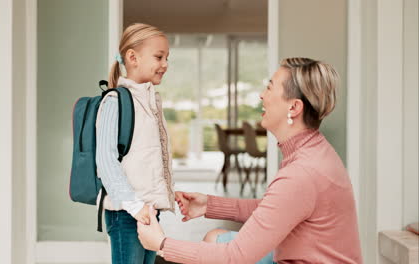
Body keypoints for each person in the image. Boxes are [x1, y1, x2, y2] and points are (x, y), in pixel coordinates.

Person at [137, 58, 363, 264]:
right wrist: (209, 205)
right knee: (215, 237)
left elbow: (235, 257)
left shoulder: (302, 173)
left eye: (270, 87)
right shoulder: (312, 151)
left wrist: (161, 245)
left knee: (219, 251)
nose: (262, 96)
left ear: (293, 107)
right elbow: (276, 208)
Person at [96, 23, 180, 264]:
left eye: (167, 58)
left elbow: (149, 158)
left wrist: (167, 195)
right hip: (126, 214)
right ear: (132, 57)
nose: (165, 64)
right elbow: (105, 160)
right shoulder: (114, 101)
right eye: (159, 57)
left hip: (149, 211)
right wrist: (134, 206)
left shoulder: (151, 101)